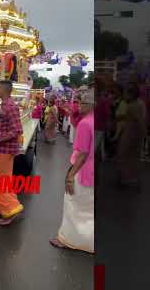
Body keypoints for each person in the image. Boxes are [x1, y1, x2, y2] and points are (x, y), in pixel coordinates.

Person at [50, 88, 94, 253]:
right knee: (88, 209)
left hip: (83, 171)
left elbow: (82, 154)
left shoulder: (85, 123)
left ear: (90, 105)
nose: (79, 105)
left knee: (73, 205)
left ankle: (68, 240)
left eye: (82, 102)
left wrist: (70, 176)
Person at [0, 80, 24, 226]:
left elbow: (17, 130)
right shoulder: (6, 105)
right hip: (5, 149)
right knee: (3, 180)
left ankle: (10, 208)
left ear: (4, 90)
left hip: (6, 149)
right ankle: (2, 206)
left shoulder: (10, 106)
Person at [116, 84, 147, 188]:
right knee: (133, 155)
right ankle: (132, 178)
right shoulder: (140, 103)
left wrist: (144, 133)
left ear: (131, 94)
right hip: (135, 133)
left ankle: (126, 178)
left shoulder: (133, 105)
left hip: (131, 133)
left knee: (123, 154)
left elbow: (138, 120)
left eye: (126, 93)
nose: (124, 95)